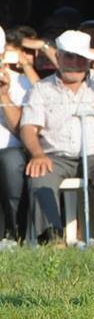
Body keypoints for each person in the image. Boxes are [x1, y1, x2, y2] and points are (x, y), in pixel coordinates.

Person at [21, 30, 94, 244]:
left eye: (80, 57)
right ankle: (52, 240)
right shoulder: (41, 89)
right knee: (39, 174)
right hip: (56, 155)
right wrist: (37, 154)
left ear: (88, 60)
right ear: (59, 57)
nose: (74, 62)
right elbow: (29, 127)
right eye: (69, 56)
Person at [0, 26, 33, 241]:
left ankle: (14, 232)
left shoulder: (20, 82)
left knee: (10, 162)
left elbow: (23, 130)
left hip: (10, 149)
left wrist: (3, 95)